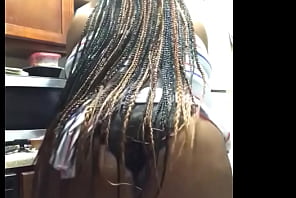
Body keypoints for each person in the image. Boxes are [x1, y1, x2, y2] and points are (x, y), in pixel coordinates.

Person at [33, 0, 232, 198]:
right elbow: (198, 94)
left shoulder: (84, 17)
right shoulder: (192, 20)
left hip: (90, 133)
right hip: (188, 131)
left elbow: (74, 95)